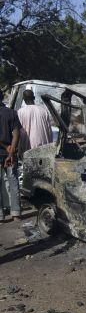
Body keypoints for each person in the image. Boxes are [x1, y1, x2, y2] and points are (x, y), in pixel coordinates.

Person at [0, 90, 22, 222]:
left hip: (6, 151)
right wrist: (11, 151)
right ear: (2, 97)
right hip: (11, 154)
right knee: (13, 181)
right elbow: (16, 133)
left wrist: (5, 147)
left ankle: (1, 216)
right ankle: (16, 214)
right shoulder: (11, 113)